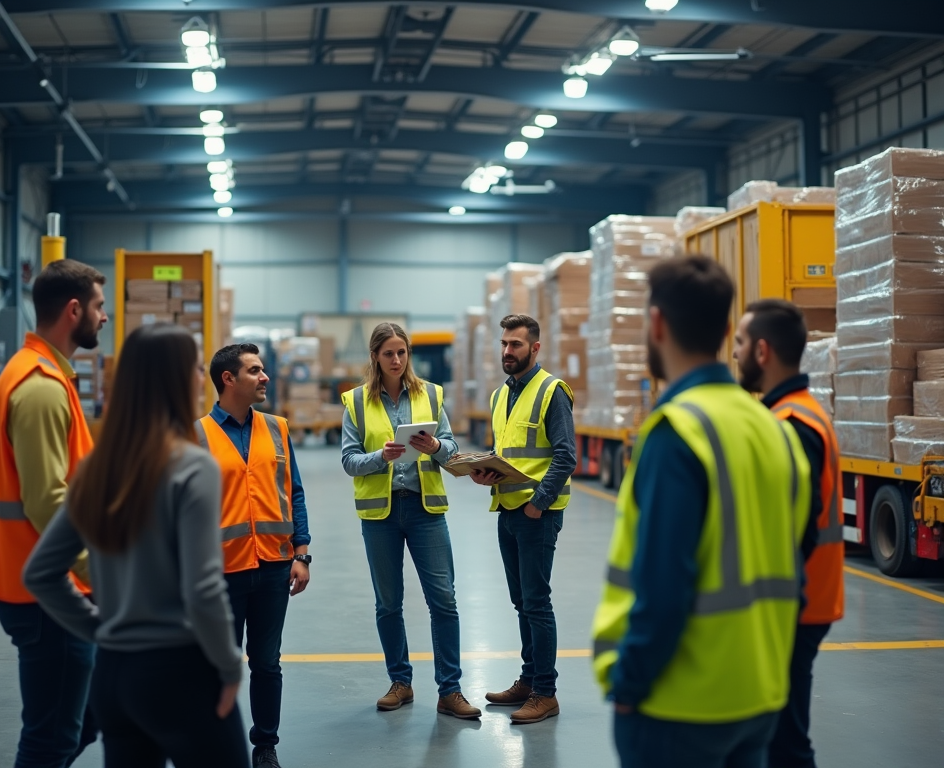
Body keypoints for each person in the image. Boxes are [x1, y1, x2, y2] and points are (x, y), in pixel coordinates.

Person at [592, 256, 811, 768]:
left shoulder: (677, 432)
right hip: (759, 693)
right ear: (724, 329)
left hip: (681, 703)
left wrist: (629, 684)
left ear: (657, 324)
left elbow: (663, 586)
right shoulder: (773, 429)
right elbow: (793, 563)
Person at [23, 324, 249, 768]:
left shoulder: (96, 468)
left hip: (113, 675)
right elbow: (203, 587)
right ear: (176, 379)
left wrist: (98, 629)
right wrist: (228, 665)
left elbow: (40, 573)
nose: (198, 376)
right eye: (194, 367)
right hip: (179, 671)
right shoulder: (191, 466)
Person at [0, 259, 107, 768]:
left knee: (88, 716)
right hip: (49, 593)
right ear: (74, 310)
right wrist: (102, 572)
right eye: (98, 306)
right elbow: (47, 500)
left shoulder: (46, 374)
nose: (105, 318)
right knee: (50, 737)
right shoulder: (42, 386)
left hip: (47, 584)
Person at [340, 322, 480, 719]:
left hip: (424, 511)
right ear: (375, 357)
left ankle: (450, 690)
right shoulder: (355, 402)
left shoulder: (431, 394)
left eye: (402, 352)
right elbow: (349, 460)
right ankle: (400, 682)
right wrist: (379, 458)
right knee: (388, 604)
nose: (397, 360)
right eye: (389, 354)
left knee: (444, 601)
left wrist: (435, 446)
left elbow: (451, 449)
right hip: (380, 515)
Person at [733, 299, 845, 768]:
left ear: (762, 350)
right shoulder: (801, 412)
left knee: (784, 744)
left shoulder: (791, 425)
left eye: (739, 343)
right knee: (782, 736)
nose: (734, 353)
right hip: (804, 599)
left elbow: (792, 528)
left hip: (793, 607)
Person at [194, 344, 312, 768]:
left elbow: (293, 491)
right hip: (220, 572)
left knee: (266, 662)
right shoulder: (197, 434)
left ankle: (265, 745)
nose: (264, 377)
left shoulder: (277, 428)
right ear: (228, 379)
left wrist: (302, 553)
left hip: (275, 567)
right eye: (255, 370)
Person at [470, 313, 576, 725]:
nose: (507, 351)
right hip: (507, 509)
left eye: (515, 344)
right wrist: (485, 472)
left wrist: (540, 502)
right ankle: (529, 679)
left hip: (537, 514)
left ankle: (546, 692)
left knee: (536, 602)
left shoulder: (552, 392)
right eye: (503, 344)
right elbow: (508, 452)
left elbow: (565, 454)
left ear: (534, 348)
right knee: (521, 603)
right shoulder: (501, 396)